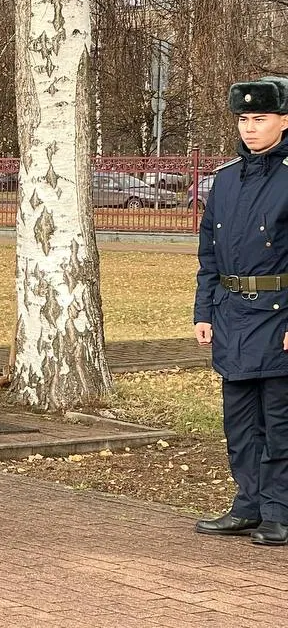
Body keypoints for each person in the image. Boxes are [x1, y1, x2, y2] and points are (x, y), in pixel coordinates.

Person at [193, 77, 288, 547]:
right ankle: (248, 506)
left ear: (284, 121)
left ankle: (279, 511)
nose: (250, 128)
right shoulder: (227, 179)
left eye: (260, 118)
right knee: (240, 422)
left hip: (278, 314)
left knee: (279, 421)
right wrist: (204, 312)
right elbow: (209, 253)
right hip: (231, 314)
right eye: (244, 119)